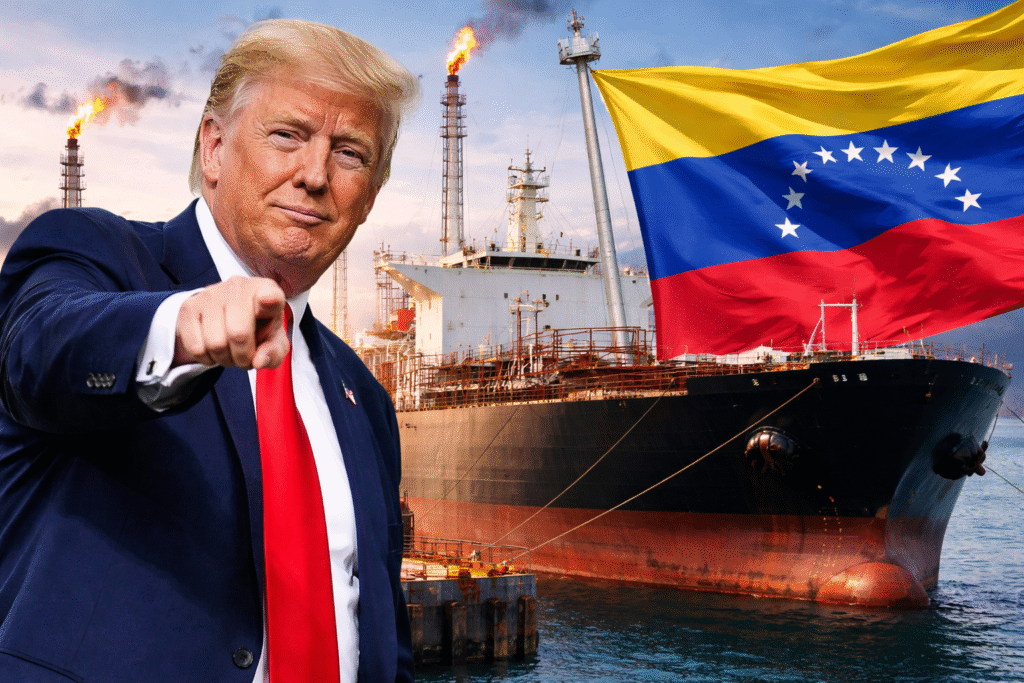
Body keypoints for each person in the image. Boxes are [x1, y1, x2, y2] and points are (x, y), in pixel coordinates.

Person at [0, 18, 419, 683]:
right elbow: (38, 351)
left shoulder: (365, 400)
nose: (314, 175)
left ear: (368, 197)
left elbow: (381, 634)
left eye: (350, 153)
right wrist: (179, 326)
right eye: (288, 135)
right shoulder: (92, 255)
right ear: (215, 147)